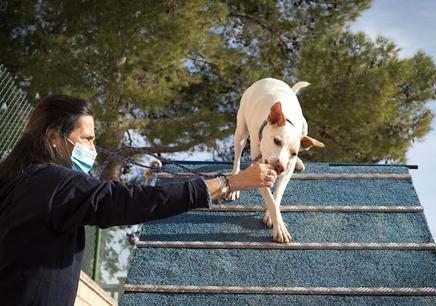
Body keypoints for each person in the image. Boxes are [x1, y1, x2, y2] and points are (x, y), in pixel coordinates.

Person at [0, 95, 277, 305]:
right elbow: (130, 201)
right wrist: (228, 182)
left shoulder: (16, 181)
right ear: (53, 137)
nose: (94, 149)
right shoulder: (54, 183)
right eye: (87, 139)